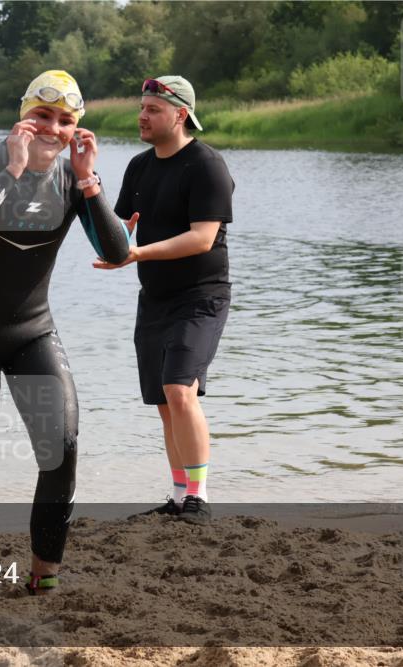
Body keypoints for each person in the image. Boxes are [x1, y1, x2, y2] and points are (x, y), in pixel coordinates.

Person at [0, 70, 130, 594]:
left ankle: (43, 579)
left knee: (62, 448)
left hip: (33, 331)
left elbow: (117, 251)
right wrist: (12, 170)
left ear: (76, 128)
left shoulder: (73, 178)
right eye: (42, 115)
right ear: (23, 114)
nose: (53, 128)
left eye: (65, 120)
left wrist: (89, 180)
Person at [94, 76, 234, 525]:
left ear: (180, 115)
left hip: (201, 297)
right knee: (163, 401)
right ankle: (177, 497)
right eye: (142, 107)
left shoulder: (206, 166)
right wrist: (88, 191)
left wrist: (137, 253)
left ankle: (199, 497)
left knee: (179, 389)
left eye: (153, 109)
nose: (142, 115)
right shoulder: (139, 167)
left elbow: (202, 238)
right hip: (153, 298)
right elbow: (120, 231)